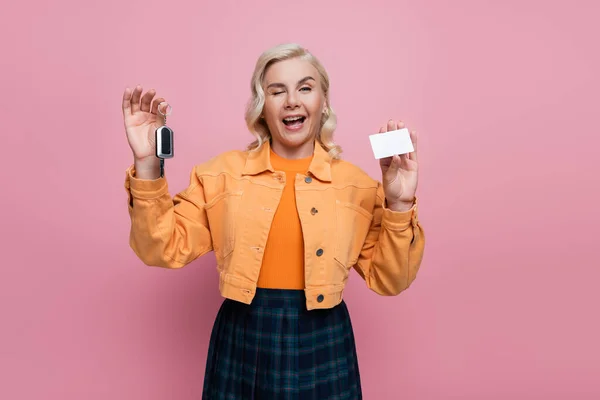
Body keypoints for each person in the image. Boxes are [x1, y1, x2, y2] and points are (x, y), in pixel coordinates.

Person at [122, 43, 425, 399]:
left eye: (305, 88)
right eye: (276, 91)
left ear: (323, 102)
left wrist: (400, 203)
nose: (292, 101)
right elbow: (160, 247)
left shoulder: (358, 185)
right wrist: (146, 165)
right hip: (243, 335)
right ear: (262, 107)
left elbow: (392, 279)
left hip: (324, 335)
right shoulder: (221, 174)